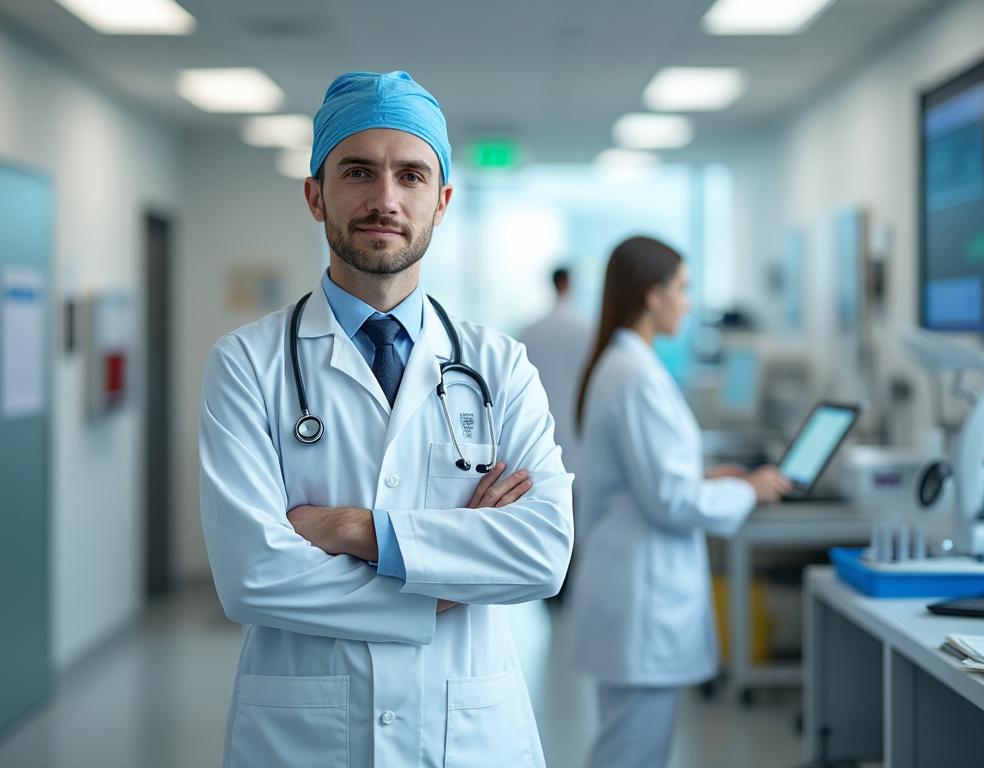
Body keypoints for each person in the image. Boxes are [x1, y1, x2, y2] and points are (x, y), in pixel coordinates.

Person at [199, 70, 573, 768]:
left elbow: (542, 552)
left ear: (443, 201)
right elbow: (251, 573)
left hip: (467, 735)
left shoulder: (501, 365)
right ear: (315, 195)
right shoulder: (246, 364)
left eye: (411, 175)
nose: (385, 199)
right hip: (304, 739)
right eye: (358, 171)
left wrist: (352, 530)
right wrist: (439, 585)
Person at [567, 236, 790, 768]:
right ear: (652, 295)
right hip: (642, 596)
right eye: (683, 290)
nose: (688, 304)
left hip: (631, 586)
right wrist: (747, 489)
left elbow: (648, 477)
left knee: (628, 747)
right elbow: (670, 499)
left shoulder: (625, 365)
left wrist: (709, 476)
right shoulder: (635, 375)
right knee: (633, 753)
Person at [518, 267, 592, 481]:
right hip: (577, 425)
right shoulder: (587, 330)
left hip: (538, 423)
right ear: (569, 284)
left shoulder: (530, 331)